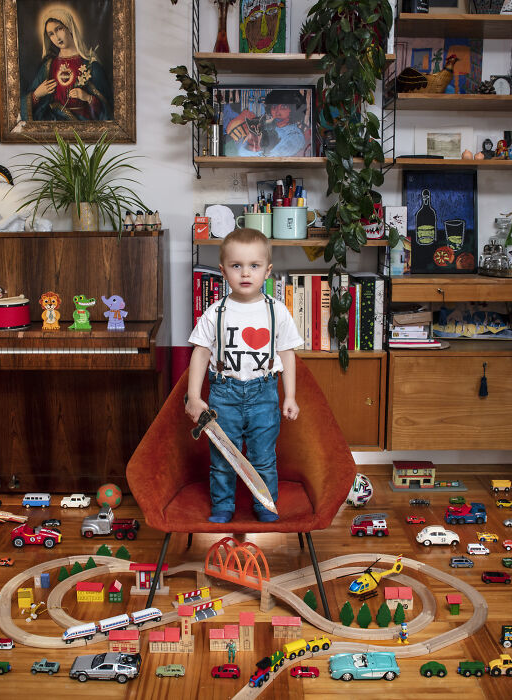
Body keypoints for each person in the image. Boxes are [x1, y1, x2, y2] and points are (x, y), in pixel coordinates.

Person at [185, 228, 303, 523]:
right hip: (224, 394)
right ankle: (223, 506)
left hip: (264, 393)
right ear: (223, 271)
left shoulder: (277, 311)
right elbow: (200, 353)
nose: (245, 273)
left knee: (263, 457)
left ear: (268, 271)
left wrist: (289, 396)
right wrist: (195, 397)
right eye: (237, 266)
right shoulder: (216, 311)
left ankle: (264, 505)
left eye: (254, 266)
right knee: (223, 456)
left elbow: (287, 353)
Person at [21, 8, 112, 121]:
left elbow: (108, 108)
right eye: (51, 34)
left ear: (69, 28)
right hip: (54, 126)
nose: (57, 37)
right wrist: (36, 95)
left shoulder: (90, 64)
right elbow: (25, 106)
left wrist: (88, 98)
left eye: (59, 29)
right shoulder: (49, 66)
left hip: (83, 127)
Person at [232, 89, 308, 157]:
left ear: (293, 109)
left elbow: (273, 157)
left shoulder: (295, 136)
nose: (277, 112)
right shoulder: (264, 126)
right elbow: (242, 148)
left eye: (284, 107)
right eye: (274, 107)